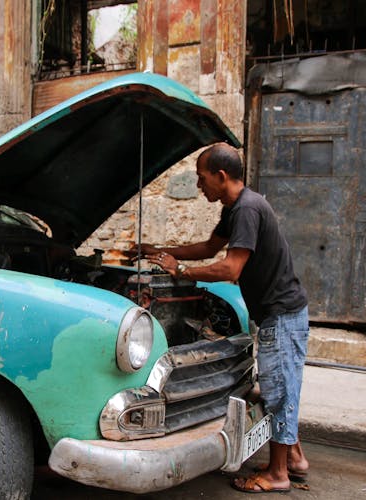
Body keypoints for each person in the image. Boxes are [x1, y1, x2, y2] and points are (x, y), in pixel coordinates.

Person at [133, 142, 310, 493]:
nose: (199, 187)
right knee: (281, 384)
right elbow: (210, 248)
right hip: (278, 313)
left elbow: (230, 268)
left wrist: (182, 271)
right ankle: (293, 458)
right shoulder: (235, 208)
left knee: (279, 391)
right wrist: (162, 252)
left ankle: (278, 475)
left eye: (202, 179)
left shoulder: (246, 209)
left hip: (282, 315)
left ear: (221, 176)